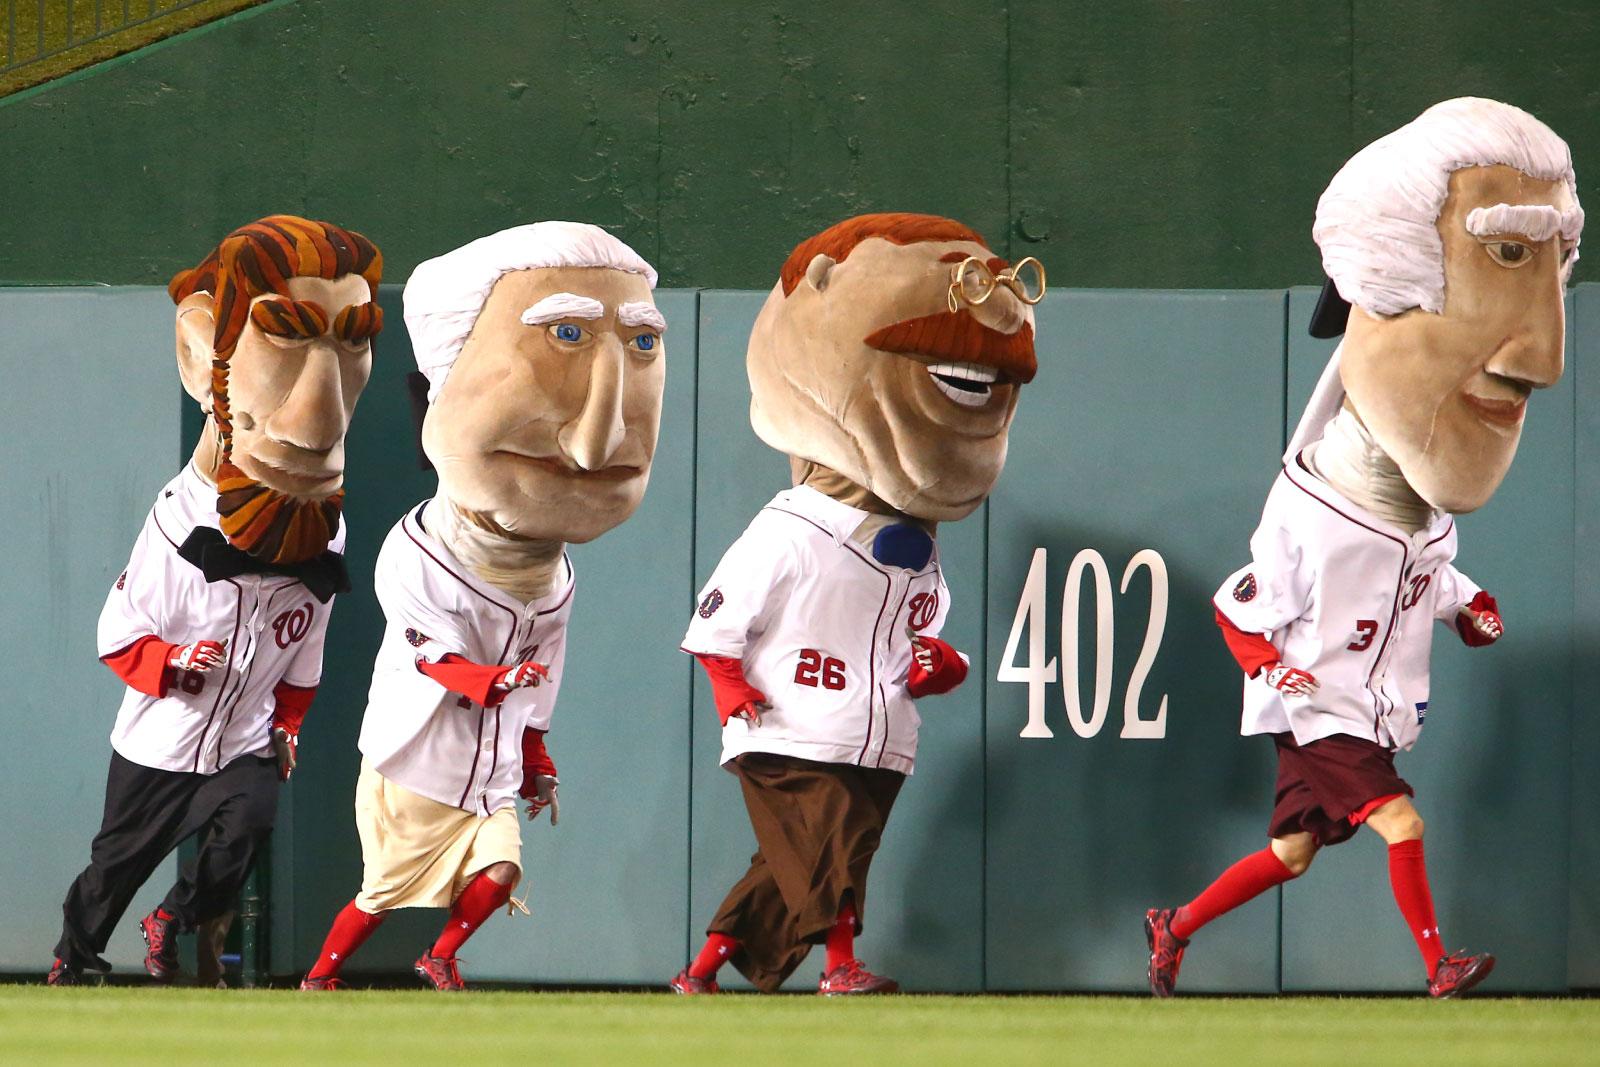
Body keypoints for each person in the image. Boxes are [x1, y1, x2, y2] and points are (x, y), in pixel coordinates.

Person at [1145, 98, 1582, 999]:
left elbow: (1427, 573)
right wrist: (1269, 664)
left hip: (1366, 707)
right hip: (1327, 709)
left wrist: (1471, 606)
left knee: (1289, 853)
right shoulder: (1311, 512)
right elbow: (1236, 604)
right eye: (1506, 252)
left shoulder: (1422, 513)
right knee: (1403, 822)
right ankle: (1438, 965)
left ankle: (1173, 925)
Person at [674, 213, 1043, 995]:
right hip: (787, 725)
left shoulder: (919, 546)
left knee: (790, 868)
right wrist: (730, 690)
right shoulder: (790, 526)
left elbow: (923, 643)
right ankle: (840, 969)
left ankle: (699, 973)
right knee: (830, 853)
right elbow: (716, 624)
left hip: (877, 733)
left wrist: (939, 666)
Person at [299, 222, 667, 991]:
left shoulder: (555, 576)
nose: (597, 444)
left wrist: (535, 756)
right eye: (566, 334)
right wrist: (492, 682)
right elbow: (430, 658)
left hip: (489, 763)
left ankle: (440, 956)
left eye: (642, 344)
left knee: (500, 874)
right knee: (381, 893)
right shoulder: (416, 551)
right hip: (417, 754)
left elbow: (544, 673)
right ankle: (322, 973)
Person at [49, 216, 383, 985]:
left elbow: (306, 646)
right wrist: (172, 663)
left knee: (246, 829)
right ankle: (75, 957)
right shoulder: (179, 522)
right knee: (116, 864)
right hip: (163, 737)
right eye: (289, 337)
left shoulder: (325, 531)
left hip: (244, 736)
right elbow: (116, 635)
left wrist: (288, 724)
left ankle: (175, 918)